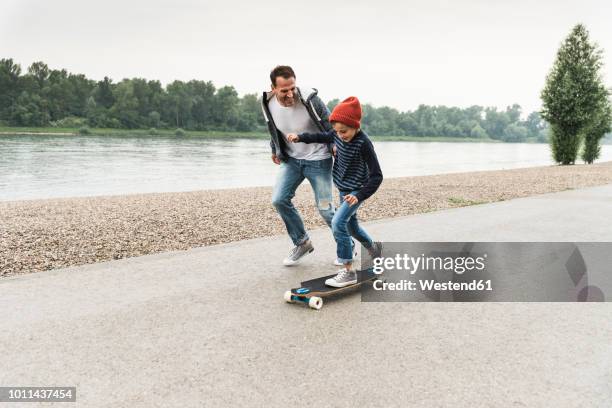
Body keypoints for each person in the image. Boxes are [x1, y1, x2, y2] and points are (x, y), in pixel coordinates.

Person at [262, 66, 357, 266]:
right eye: (284, 90)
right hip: (291, 160)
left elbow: (332, 125)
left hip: (319, 159)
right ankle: (302, 242)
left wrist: (334, 145)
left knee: (325, 209)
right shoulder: (267, 102)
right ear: (273, 88)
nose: (290, 94)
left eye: (292, 88)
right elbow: (273, 127)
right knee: (279, 200)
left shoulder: (310, 99)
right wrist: (274, 149)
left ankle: (348, 244)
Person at [287, 96, 383, 287]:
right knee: (352, 227)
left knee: (338, 223)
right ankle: (374, 249)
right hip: (343, 188)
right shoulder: (336, 135)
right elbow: (320, 137)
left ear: (355, 125)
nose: (340, 135)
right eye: (337, 132)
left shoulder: (364, 144)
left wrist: (359, 195)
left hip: (356, 191)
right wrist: (300, 137)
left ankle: (347, 271)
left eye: (344, 131)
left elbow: (377, 176)